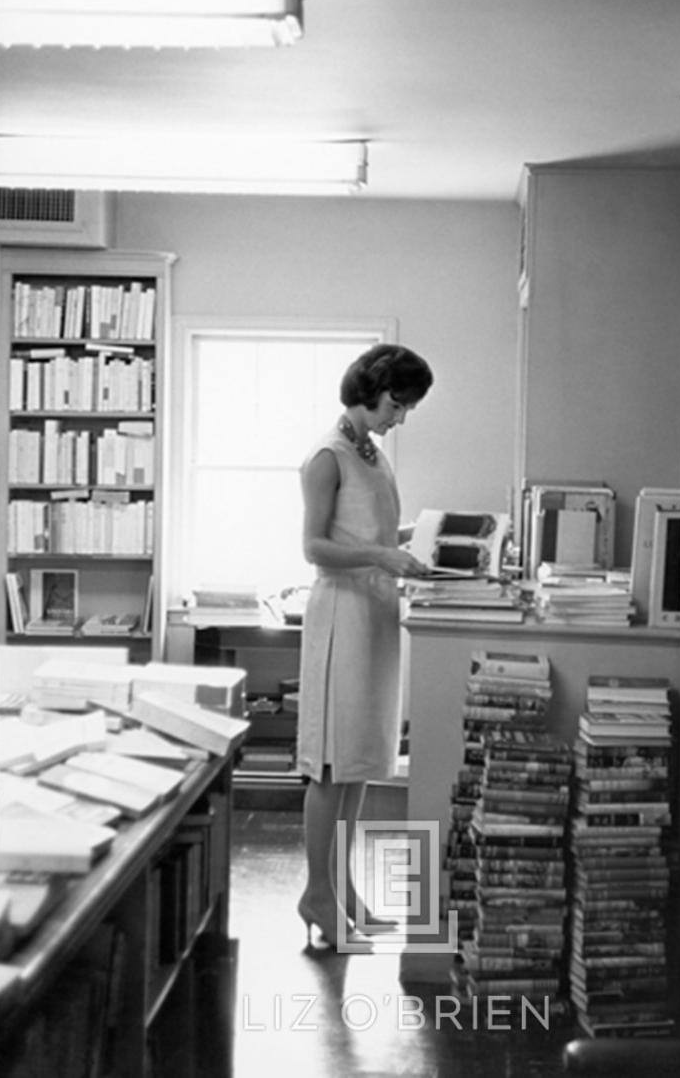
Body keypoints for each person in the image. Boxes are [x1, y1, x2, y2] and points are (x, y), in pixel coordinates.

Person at [295, 343, 434, 948]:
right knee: (330, 767)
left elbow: (370, 528)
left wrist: (422, 534)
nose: (400, 417)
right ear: (370, 388)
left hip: (375, 613)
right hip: (341, 616)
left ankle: (344, 890)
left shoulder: (370, 452)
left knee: (357, 767)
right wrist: (382, 553)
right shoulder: (327, 456)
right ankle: (316, 892)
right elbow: (315, 547)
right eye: (397, 404)